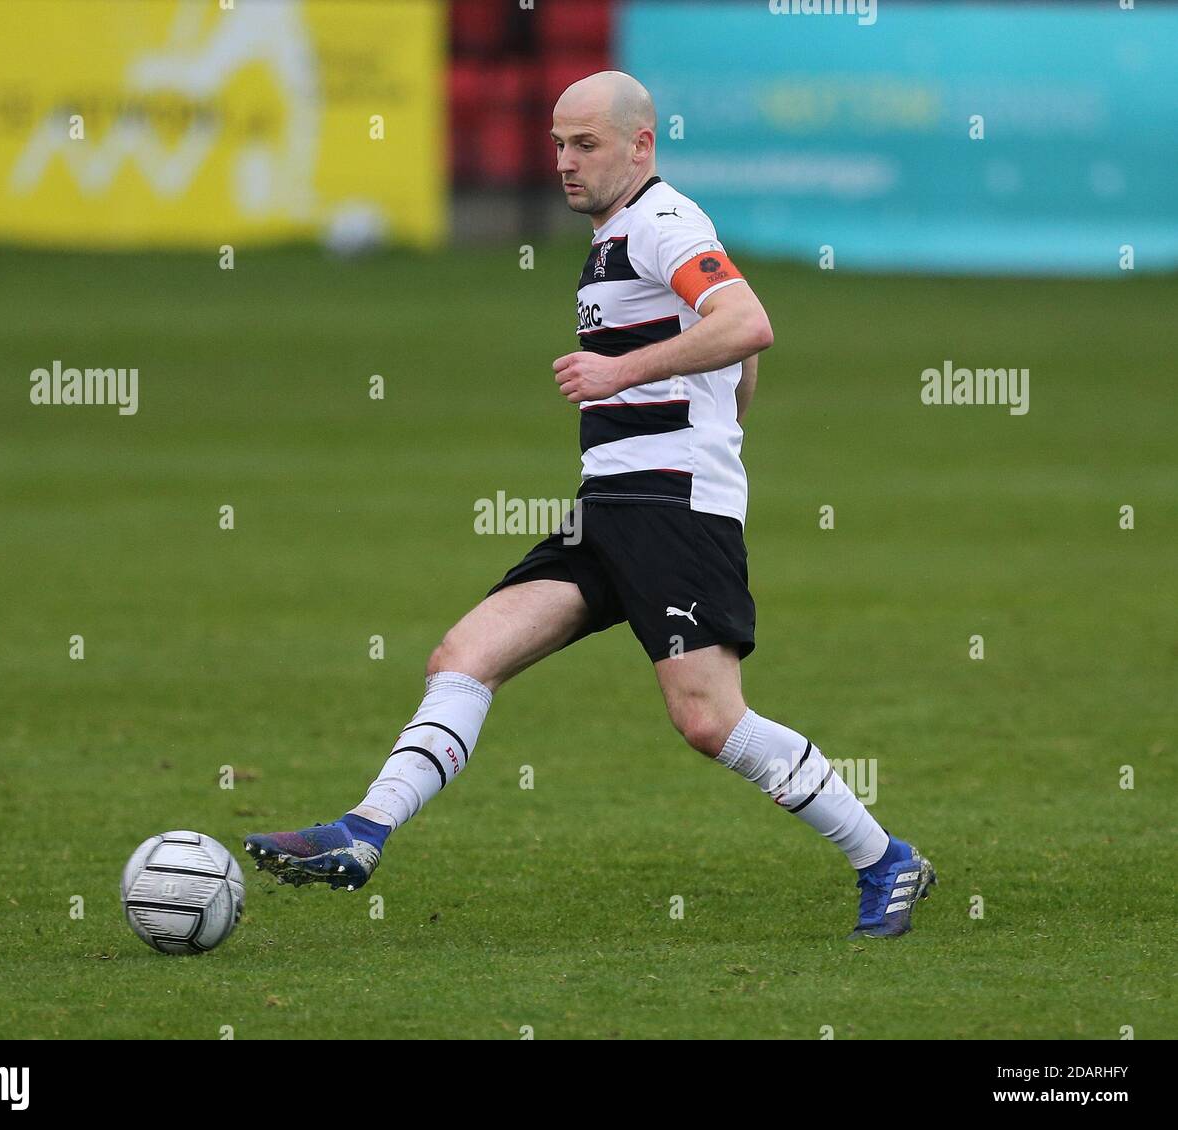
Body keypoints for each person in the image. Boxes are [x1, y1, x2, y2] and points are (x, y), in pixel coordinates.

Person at [246, 71, 935, 940]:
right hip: (611, 504)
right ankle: (361, 833)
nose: (566, 163)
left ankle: (886, 859)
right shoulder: (620, 232)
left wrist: (627, 378)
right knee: (465, 652)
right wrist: (713, 411)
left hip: (671, 506)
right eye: (558, 146)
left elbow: (748, 323)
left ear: (640, 145)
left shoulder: (661, 220)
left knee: (707, 718)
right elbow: (733, 360)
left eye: (586, 145)